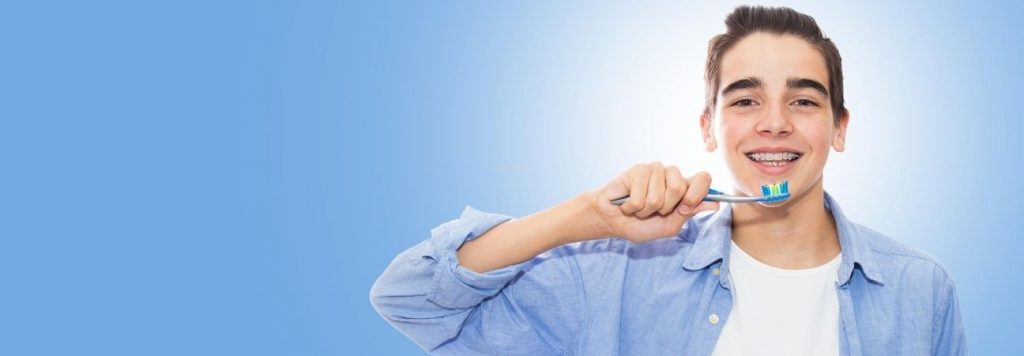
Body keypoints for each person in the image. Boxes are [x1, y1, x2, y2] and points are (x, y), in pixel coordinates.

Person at [370, 5, 967, 355]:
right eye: (746, 100)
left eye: (804, 102)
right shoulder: (610, 278)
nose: (775, 124)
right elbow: (409, 300)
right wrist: (585, 216)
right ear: (710, 127)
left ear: (839, 127)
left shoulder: (921, 291)